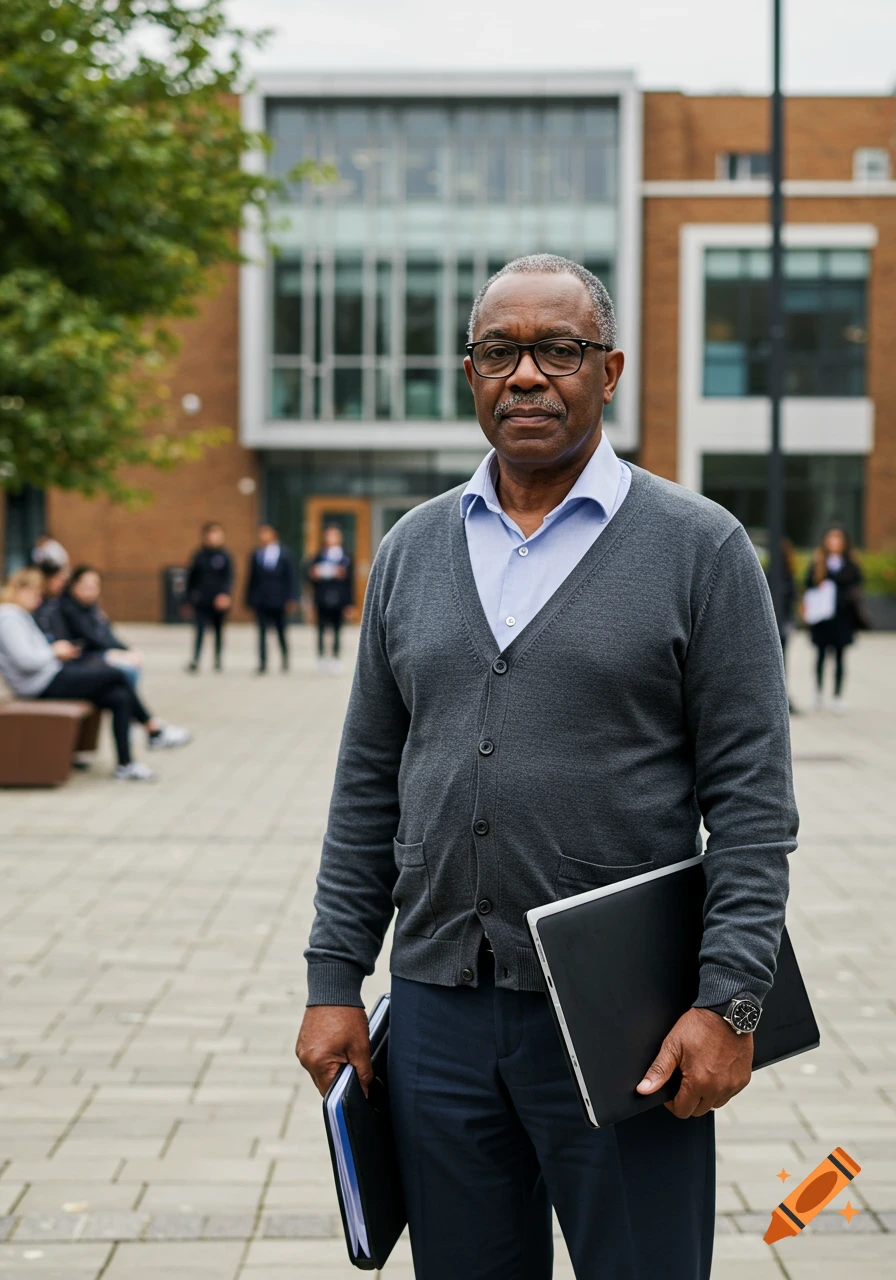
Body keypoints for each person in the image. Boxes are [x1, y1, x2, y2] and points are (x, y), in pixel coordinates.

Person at [296, 255, 797, 1280]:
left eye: (556, 349)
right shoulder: (410, 548)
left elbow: (750, 805)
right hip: (436, 1012)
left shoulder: (698, 547)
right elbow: (365, 784)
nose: (526, 374)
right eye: (498, 351)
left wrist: (729, 1001)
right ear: (467, 371)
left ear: (606, 370)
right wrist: (331, 978)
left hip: (628, 1020)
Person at [0, 568, 190, 782]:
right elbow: (26, 660)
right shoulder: (9, 618)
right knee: (116, 674)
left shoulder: (18, 616)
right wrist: (54, 651)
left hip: (49, 676)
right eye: (34, 593)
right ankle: (153, 729)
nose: (38, 599)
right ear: (19, 590)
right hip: (40, 683)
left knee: (118, 696)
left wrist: (55, 651)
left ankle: (126, 765)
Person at [805, 525, 865, 714]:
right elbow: (807, 585)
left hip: (841, 618)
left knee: (840, 657)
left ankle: (837, 696)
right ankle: (819, 693)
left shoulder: (850, 564)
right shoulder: (818, 563)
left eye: (838, 538)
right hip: (822, 619)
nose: (834, 542)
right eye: (831, 538)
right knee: (821, 656)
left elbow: (857, 586)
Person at [58, 566, 144, 684]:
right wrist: (116, 652)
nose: (90, 591)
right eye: (86, 586)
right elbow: (92, 637)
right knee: (127, 670)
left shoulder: (92, 608)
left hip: (99, 653)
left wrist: (126, 649)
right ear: (74, 585)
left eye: (94, 586)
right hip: (84, 656)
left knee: (134, 662)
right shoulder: (69, 607)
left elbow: (107, 633)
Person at [245, 525, 297, 674]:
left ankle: (285, 658)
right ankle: (262, 662)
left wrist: (291, 598)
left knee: (281, 631)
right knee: (261, 633)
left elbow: (290, 578)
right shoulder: (256, 554)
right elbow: (251, 579)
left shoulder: (285, 554)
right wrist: (249, 600)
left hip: (279, 599)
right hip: (261, 599)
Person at [185, 522, 233, 673]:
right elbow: (191, 579)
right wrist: (187, 599)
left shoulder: (224, 556)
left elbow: (229, 578)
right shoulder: (199, 555)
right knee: (199, 630)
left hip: (218, 600)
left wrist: (225, 595)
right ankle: (196, 659)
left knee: (218, 631)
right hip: (201, 600)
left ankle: (218, 660)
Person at [308, 525, 353, 673]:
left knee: (337, 629)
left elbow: (349, 582)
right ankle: (321, 657)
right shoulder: (318, 556)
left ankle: (335, 657)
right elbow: (310, 576)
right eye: (329, 535)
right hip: (322, 598)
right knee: (321, 628)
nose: (331, 539)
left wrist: (349, 603)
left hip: (339, 599)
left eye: (334, 536)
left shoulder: (345, 557)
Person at [33, 562, 70, 641]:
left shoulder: (62, 602)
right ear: (46, 579)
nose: (62, 584)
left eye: (63, 580)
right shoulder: (35, 604)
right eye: (58, 579)